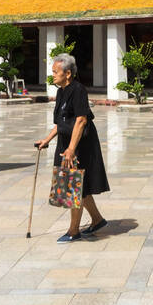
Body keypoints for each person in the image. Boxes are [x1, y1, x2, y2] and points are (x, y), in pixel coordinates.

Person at [35, 54, 109, 241]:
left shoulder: (78, 90)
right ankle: (97, 220)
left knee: (73, 185)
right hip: (66, 142)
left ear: (68, 73)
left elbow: (81, 120)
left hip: (80, 144)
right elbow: (61, 122)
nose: (53, 75)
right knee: (78, 185)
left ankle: (74, 231)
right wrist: (47, 139)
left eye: (55, 72)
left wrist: (71, 149)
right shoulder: (61, 91)